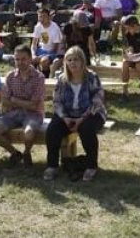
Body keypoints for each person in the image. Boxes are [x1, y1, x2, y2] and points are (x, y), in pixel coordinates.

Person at [43, 46, 108, 182]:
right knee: (53, 129)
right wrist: (65, 118)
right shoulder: (62, 79)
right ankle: (52, 166)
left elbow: (98, 99)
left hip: (91, 113)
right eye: (69, 60)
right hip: (68, 114)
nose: (73, 63)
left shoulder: (92, 77)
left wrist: (82, 118)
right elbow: (57, 101)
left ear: (82, 61)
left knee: (86, 129)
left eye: (76, 59)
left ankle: (91, 166)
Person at [0, 45, 45, 166]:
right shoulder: (10, 76)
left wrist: (14, 100)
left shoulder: (39, 77)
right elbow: (4, 101)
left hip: (33, 114)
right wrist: (22, 103)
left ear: (30, 59)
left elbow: (34, 106)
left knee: (28, 133)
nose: (20, 62)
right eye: (17, 59)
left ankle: (26, 153)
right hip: (13, 114)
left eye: (23, 59)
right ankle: (15, 153)